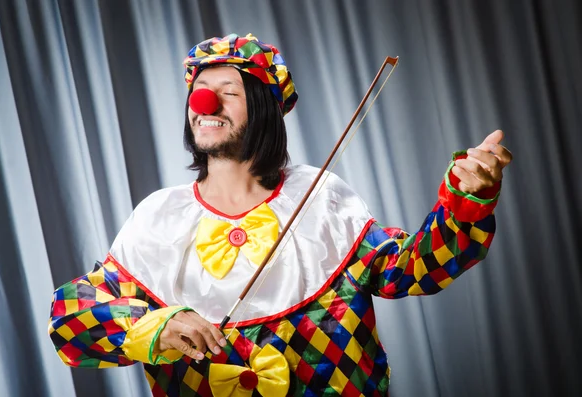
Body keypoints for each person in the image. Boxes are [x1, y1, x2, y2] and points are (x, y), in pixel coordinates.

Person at [48, 33, 512, 397]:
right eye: (200, 90)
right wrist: (152, 325)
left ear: (266, 110)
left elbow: (413, 269)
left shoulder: (319, 196)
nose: (204, 104)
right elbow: (69, 316)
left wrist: (465, 198)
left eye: (227, 92)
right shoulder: (158, 217)